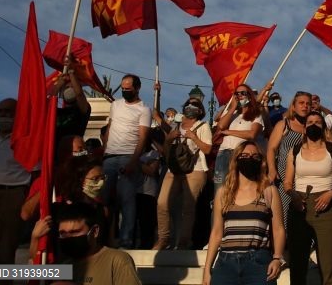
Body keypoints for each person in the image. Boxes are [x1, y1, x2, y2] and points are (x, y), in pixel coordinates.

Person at [202, 141, 285, 285]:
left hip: (258, 263)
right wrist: (207, 269)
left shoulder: (269, 192)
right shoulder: (223, 193)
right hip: (225, 264)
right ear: (236, 160)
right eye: (244, 155)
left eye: (255, 156)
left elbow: (278, 229)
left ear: (261, 161)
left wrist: (277, 258)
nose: (250, 159)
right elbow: (216, 232)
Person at [284, 112, 332, 285]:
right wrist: (294, 196)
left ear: (323, 127)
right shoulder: (295, 151)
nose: (314, 125)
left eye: (318, 122)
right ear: (304, 128)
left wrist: (331, 193)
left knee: (328, 262)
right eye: (310, 122)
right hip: (300, 207)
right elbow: (287, 183)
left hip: (327, 207)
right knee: (298, 262)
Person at [31, 201, 142, 285]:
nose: (69, 237)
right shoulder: (65, 266)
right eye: (63, 233)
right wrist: (35, 237)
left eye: (75, 232)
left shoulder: (117, 261)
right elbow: (27, 272)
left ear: (94, 231)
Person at [102, 74, 151, 248]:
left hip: (128, 157)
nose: (124, 90)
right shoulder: (115, 105)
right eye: (122, 88)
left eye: (128, 88)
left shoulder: (144, 109)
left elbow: (143, 137)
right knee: (103, 199)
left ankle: (126, 241)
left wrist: (133, 161)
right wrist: (103, 149)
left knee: (126, 201)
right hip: (108, 158)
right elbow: (109, 128)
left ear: (137, 88)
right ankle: (102, 239)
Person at [155, 97, 212, 250]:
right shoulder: (176, 126)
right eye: (188, 103)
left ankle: (184, 242)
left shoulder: (203, 126)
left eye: (195, 104)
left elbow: (207, 149)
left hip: (195, 169)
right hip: (173, 170)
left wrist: (194, 137)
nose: (190, 106)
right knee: (162, 203)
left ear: (200, 110)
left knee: (188, 206)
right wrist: (168, 140)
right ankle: (163, 239)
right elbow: (166, 153)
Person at [0, 98, 30, 276]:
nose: (4, 115)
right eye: (1, 111)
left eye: (9, 112)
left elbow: (36, 172)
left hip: (11, 195)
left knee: (5, 251)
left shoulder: (25, 140)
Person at [267, 91, 311, 228]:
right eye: (301, 103)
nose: (305, 106)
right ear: (293, 106)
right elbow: (271, 149)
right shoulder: (284, 124)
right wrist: (272, 170)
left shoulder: (312, 127)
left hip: (305, 179)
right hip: (284, 178)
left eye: (308, 104)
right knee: (283, 215)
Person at [214, 85, 264, 194]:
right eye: (237, 93)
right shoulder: (233, 114)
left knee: (237, 188)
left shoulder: (256, 114)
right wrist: (232, 107)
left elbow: (252, 134)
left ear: (250, 96)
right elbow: (221, 126)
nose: (239, 95)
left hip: (241, 154)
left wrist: (229, 132)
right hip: (224, 153)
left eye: (243, 93)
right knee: (220, 188)